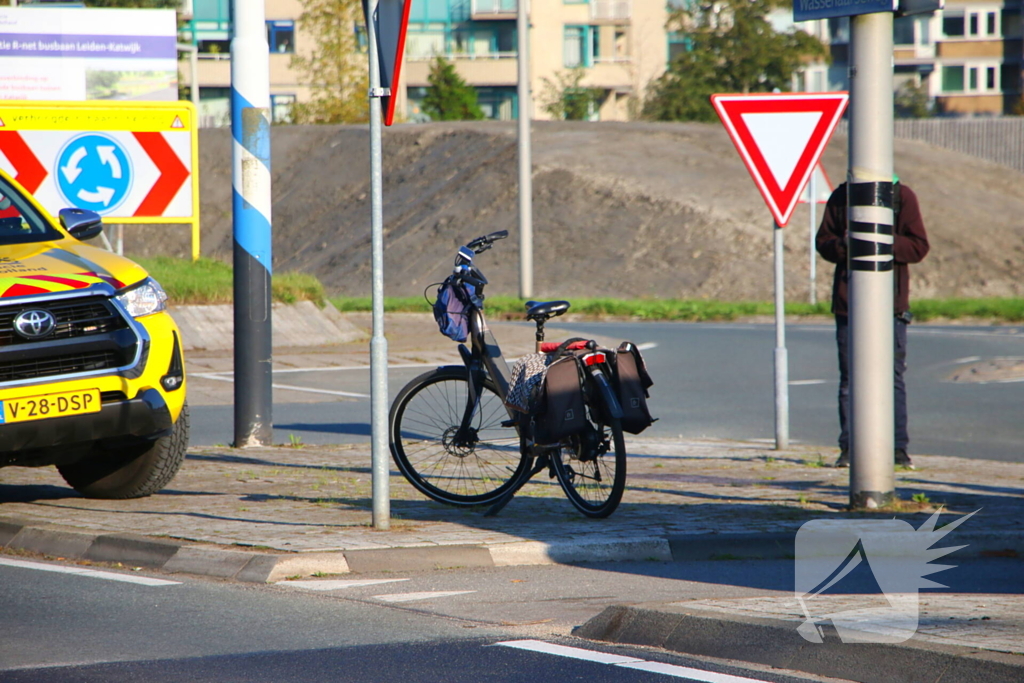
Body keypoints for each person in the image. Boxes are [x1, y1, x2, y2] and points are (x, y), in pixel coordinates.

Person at [815, 177, 930, 469]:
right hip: (849, 305)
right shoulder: (842, 196)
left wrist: (882, 240)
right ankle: (850, 449)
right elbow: (823, 242)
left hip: (890, 306)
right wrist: (847, 244)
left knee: (892, 379)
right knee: (850, 379)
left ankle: (897, 451)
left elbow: (918, 246)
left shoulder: (902, 195)